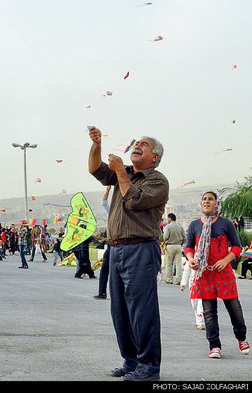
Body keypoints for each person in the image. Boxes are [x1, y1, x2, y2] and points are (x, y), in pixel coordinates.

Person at [88, 126, 169, 382]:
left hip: (140, 249)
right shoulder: (125, 174)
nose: (138, 145)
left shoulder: (156, 180)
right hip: (117, 248)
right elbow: (94, 169)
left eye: (144, 144)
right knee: (120, 310)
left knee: (142, 310)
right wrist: (97, 144)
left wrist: (121, 171)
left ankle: (148, 367)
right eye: (137, 143)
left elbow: (134, 200)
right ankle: (131, 360)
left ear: (154, 157)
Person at [185, 191, 250, 359]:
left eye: (210, 199)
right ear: (201, 203)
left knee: (234, 309)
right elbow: (189, 247)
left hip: (223, 273)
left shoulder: (225, 223)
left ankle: (241, 337)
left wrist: (226, 260)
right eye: (204, 199)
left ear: (216, 203)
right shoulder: (194, 225)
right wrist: (191, 259)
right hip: (204, 273)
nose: (207, 201)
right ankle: (214, 346)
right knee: (209, 312)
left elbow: (237, 247)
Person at [94, 186, 111, 299]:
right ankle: (102, 292)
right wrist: (107, 191)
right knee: (105, 268)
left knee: (106, 268)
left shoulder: (115, 212)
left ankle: (102, 292)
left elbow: (104, 203)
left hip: (119, 244)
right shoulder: (114, 211)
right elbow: (104, 203)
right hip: (113, 244)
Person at [180, 258, 205, 330]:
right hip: (193, 285)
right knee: (194, 303)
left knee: (201, 302)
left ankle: (200, 321)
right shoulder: (190, 261)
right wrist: (183, 284)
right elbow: (186, 272)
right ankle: (198, 317)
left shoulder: (205, 260)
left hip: (203, 284)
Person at [163, 213, 186, 285]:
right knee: (178, 264)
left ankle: (169, 279)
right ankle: (178, 280)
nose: (167, 219)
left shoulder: (168, 227)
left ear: (170, 218)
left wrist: (164, 242)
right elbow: (184, 238)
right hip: (179, 246)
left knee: (169, 263)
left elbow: (165, 237)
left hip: (170, 246)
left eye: (168, 218)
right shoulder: (180, 226)